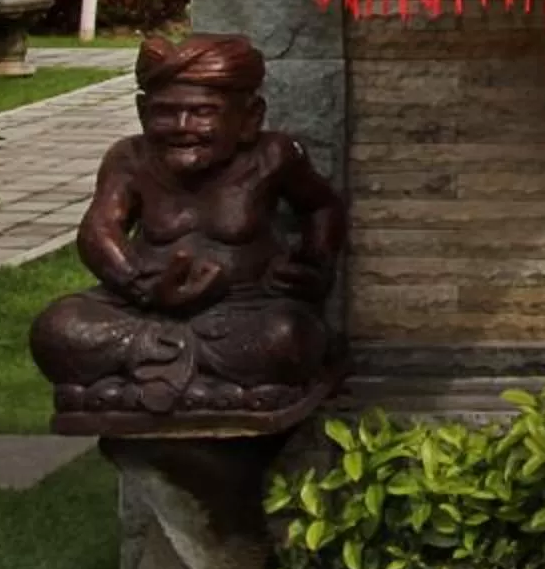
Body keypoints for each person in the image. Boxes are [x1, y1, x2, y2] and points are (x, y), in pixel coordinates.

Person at [29, 34, 346, 429]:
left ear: (249, 118)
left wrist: (315, 264)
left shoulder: (272, 157)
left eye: (202, 112)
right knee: (59, 328)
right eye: (166, 112)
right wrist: (139, 285)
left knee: (284, 336)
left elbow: (322, 206)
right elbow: (99, 229)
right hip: (142, 308)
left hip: (243, 309)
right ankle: (205, 383)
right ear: (143, 113)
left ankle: (147, 380)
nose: (182, 127)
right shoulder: (130, 159)